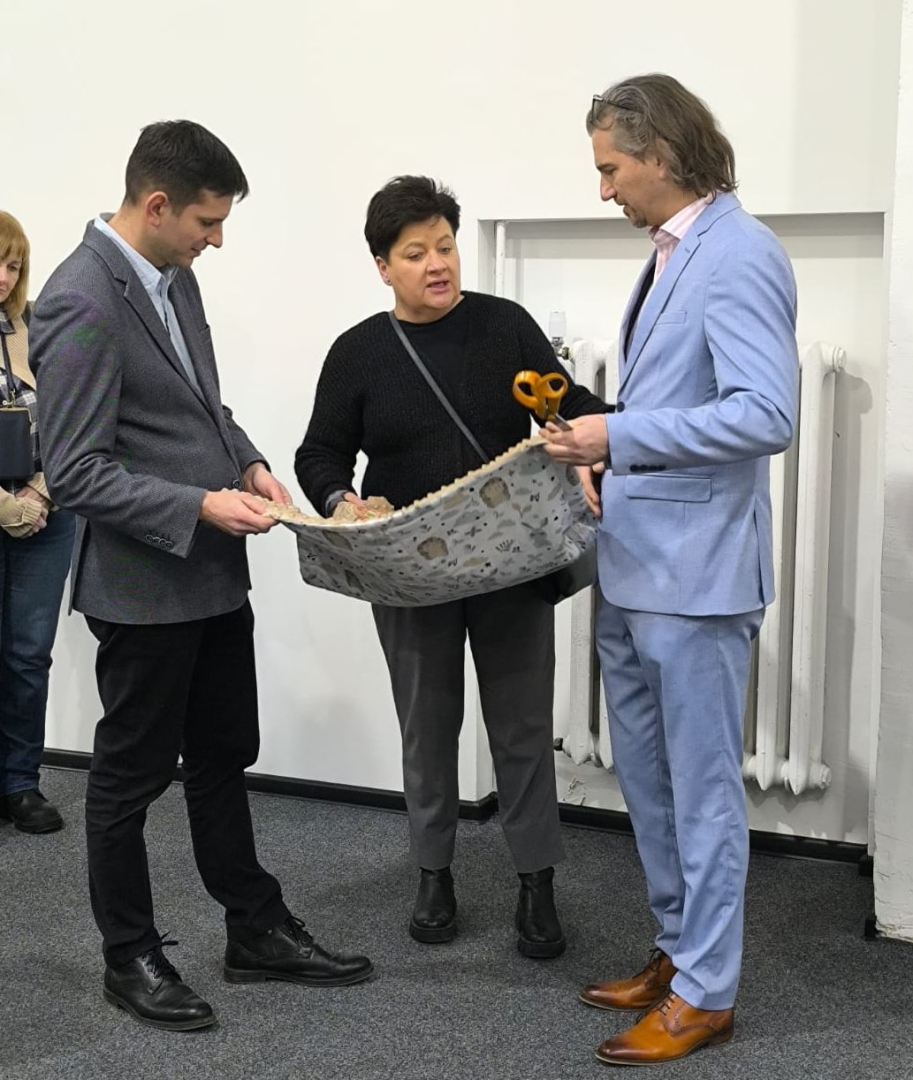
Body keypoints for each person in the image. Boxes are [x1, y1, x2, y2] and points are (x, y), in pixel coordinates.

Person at [29, 121, 373, 1032]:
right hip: (145, 588)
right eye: (207, 222)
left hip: (213, 575)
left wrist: (248, 461)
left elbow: (198, 407)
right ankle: (129, 955)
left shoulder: (172, 277)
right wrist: (199, 505)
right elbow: (76, 473)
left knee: (224, 753)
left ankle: (253, 927)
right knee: (128, 778)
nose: (216, 240)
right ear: (156, 205)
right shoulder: (78, 299)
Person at [542, 75, 799, 1066]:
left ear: (660, 153)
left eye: (611, 168)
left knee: (700, 790)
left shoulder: (739, 253)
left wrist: (617, 433)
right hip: (634, 563)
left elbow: (764, 414)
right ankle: (678, 950)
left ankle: (706, 994)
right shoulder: (670, 253)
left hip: (696, 579)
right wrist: (606, 453)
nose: (603, 188)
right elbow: (674, 402)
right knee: (647, 781)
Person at [295, 175, 606, 958]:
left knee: (523, 728)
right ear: (381, 266)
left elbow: (565, 403)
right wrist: (339, 500)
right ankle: (433, 872)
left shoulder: (504, 327)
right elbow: (319, 452)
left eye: (444, 246)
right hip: (409, 573)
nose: (436, 263)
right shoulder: (359, 352)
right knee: (426, 728)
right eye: (414, 253)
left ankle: (536, 881)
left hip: (510, 568)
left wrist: (609, 433)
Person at [0, 211, 75, 834]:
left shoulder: (37, 327)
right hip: (8, 508)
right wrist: (6, 506)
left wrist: (41, 493)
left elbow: (72, 418)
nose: (4, 276)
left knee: (29, 655)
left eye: (14, 265)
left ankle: (20, 783)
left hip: (47, 509)